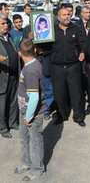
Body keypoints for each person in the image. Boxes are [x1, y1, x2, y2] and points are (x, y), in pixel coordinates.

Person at [50, 8, 87, 127]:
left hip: (73, 66)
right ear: (58, 17)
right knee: (59, 93)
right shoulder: (52, 30)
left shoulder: (77, 28)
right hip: (57, 67)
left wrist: (83, 52)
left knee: (76, 93)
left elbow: (84, 43)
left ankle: (79, 116)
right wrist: (33, 37)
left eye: (68, 14)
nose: (66, 17)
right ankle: (62, 115)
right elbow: (44, 45)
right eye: (63, 15)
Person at [15, 39, 45, 181]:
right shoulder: (29, 65)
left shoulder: (31, 70)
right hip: (24, 111)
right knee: (24, 138)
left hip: (32, 114)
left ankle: (37, 169)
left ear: (20, 53)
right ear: (34, 50)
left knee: (34, 142)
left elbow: (34, 97)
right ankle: (26, 162)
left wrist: (29, 116)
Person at [0, 14, 20, 138]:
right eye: (2, 24)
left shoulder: (9, 37)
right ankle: (2, 128)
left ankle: (12, 122)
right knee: (2, 105)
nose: (6, 25)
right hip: (2, 78)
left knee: (13, 101)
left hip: (13, 75)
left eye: (6, 23)